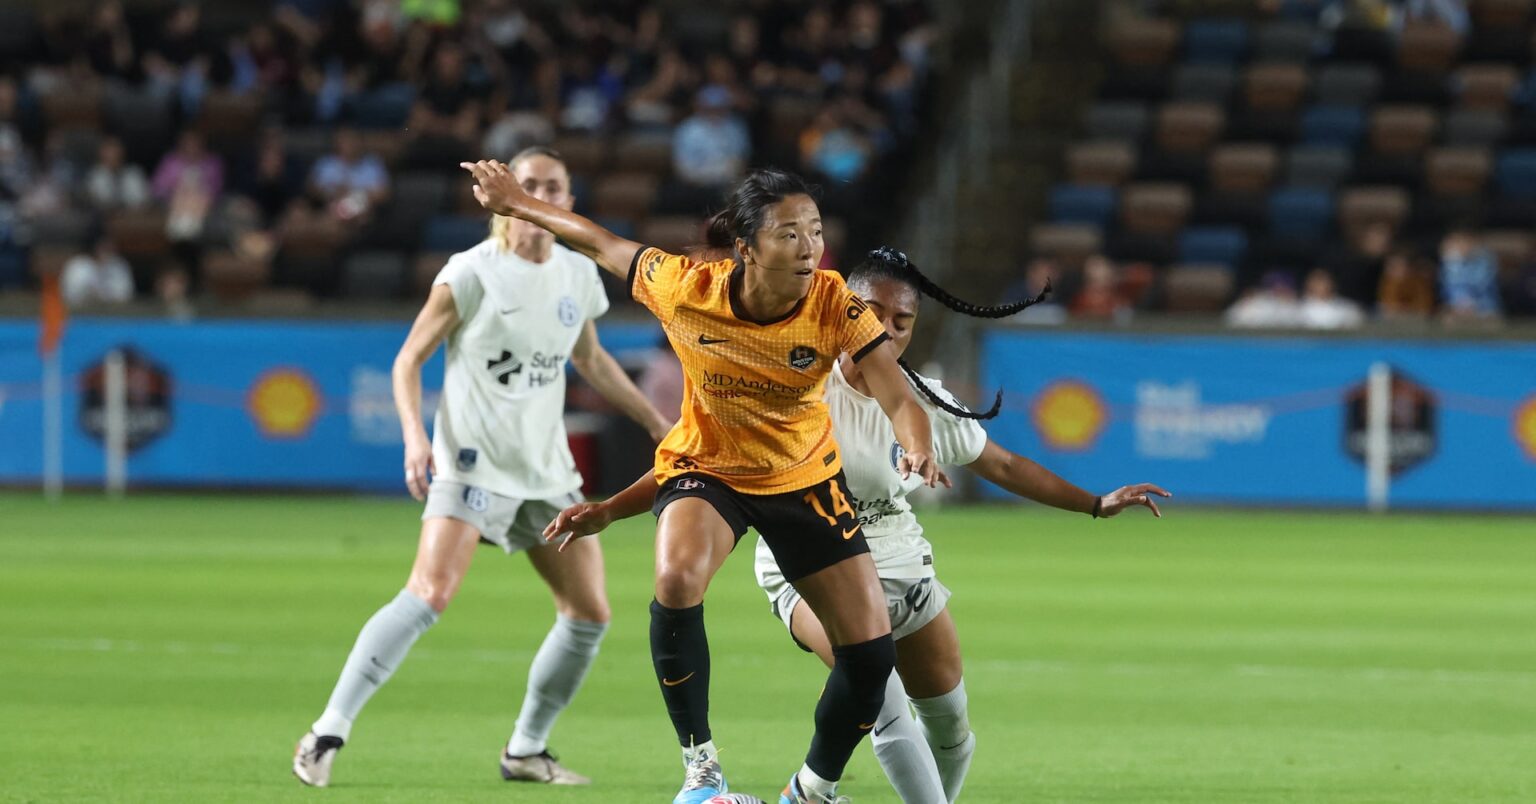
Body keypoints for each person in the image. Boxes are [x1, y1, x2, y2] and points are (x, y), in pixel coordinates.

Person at [462, 160, 1025, 804]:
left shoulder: (835, 301)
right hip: (708, 470)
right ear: (747, 246)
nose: (809, 246)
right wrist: (515, 202)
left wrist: (918, 446)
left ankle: (810, 790)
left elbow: (899, 398)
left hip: (802, 480)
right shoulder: (684, 286)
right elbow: (597, 240)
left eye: (814, 230)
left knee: (870, 662)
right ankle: (702, 774)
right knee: (676, 578)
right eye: (789, 233)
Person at [545, 247, 1167, 803]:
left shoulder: (922, 397)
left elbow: (1000, 462)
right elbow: (697, 463)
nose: (886, 331)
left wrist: (1094, 502)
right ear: (846, 308)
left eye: (903, 322)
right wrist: (610, 509)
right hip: (808, 564)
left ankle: (814, 795)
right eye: (873, 313)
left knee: (949, 723)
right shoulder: (793, 384)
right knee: (882, 699)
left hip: (900, 559)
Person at [292, 147, 672, 789]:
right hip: (471, 462)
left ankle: (526, 749)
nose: (544, 194)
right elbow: (408, 359)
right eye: (530, 184)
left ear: (570, 203)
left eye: (555, 186)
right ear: (500, 194)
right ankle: (327, 731)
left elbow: (592, 360)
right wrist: (417, 439)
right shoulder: (470, 273)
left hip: (546, 472)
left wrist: (658, 425)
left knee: (589, 614)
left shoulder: (578, 276)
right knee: (429, 594)